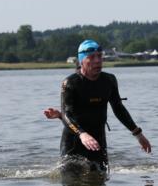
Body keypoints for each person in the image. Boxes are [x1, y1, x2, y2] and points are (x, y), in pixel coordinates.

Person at [43, 39, 151, 170]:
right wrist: (82, 133)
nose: (97, 61)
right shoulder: (71, 83)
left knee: (100, 183)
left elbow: (118, 109)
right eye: (92, 57)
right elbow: (68, 114)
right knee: (71, 184)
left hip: (97, 140)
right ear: (82, 61)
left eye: (100, 56)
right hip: (73, 142)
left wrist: (138, 134)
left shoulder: (109, 80)